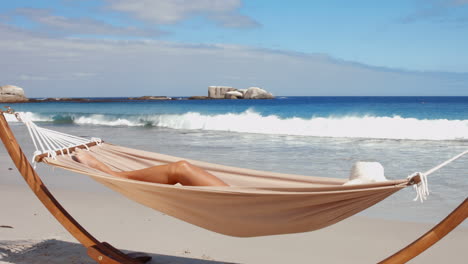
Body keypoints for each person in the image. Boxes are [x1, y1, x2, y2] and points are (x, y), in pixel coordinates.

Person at [72, 148, 229, 187]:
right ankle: (117, 174)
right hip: (248, 207)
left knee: (181, 169)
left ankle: (112, 173)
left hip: (244, 207)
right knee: (181, 168)